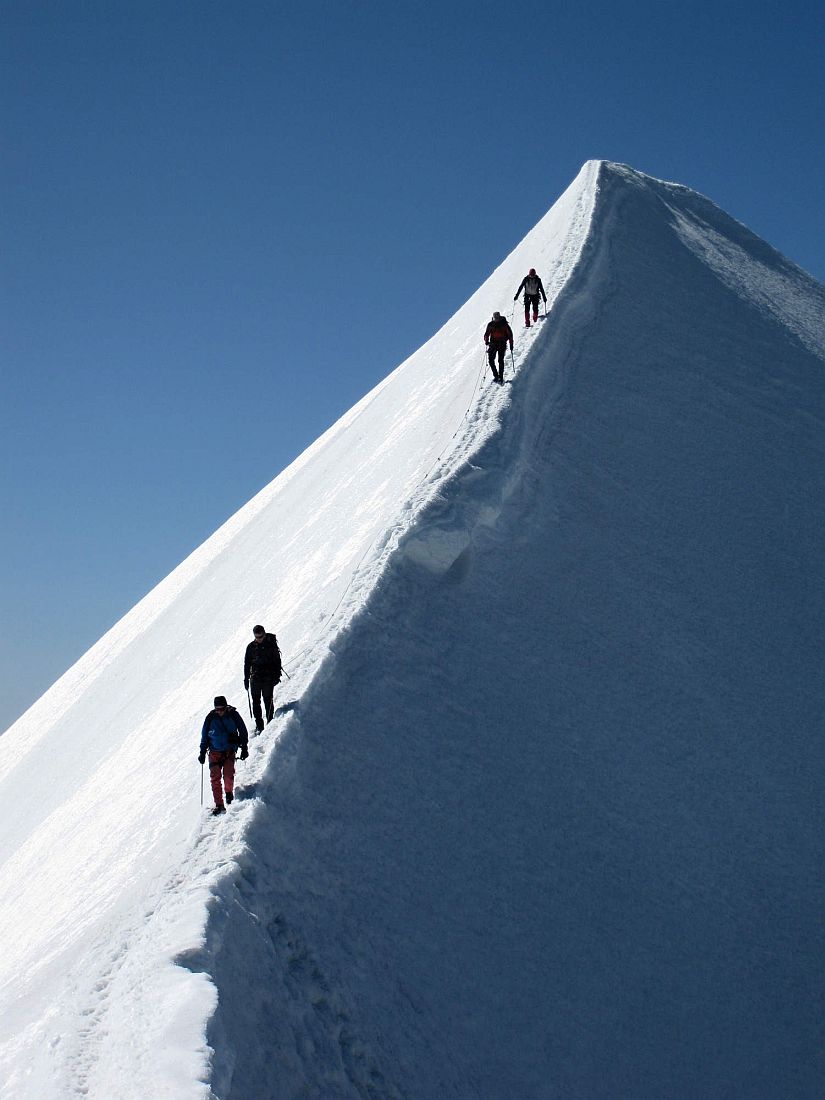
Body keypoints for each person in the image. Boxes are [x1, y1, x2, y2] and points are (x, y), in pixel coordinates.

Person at [198, 695, 249, 816]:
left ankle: (229, 793)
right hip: (214, 752)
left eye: (222, 709)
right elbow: (204, 736)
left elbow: (242, 730)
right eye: (217, 709)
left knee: (228, 775)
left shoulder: (233, 715)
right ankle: (219, 805)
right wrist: (202, 752)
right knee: (215, 779)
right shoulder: (210, 718)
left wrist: (244, 747)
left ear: (226, 707)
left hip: (229, 751)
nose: (220, 711)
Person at [243, 624, 282, 733]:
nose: (259, 639)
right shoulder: (250, 647)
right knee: (256, 702)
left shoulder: (271, 645)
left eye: (261, 637)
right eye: (257, 637)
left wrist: (276, 675)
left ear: (264, 634)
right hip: (255, 678)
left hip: (268, 678)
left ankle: (270, 722)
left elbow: (277, 661)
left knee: (268, 700)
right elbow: (247, 664)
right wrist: (246, 679)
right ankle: (259, 725)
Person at [483, 311, 513, 384]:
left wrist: (511, 344)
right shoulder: (499, 324)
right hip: (495, 344)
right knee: (491, 360)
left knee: (499, 360)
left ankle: (500, 376)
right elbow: (486, 334)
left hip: (499, 344)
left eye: (497, 318)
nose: (496, 319)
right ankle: (497, 376)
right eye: (495, 318)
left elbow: (510, 335)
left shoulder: (502, 324)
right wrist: (486, 341)